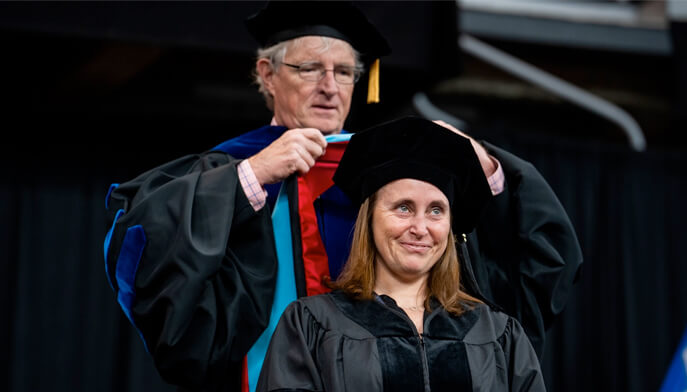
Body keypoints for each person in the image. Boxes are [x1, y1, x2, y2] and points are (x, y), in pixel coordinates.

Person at [103, 1, 581, 391]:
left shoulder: (395, 175)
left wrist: (482, 165)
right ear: (267, 74)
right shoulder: (231, 168)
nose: (330, 87)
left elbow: (531, 265)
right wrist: (251, 176)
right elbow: (143, 251)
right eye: (310, 68)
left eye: (345, 71)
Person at [256, 116, 545, 392]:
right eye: (403, 207)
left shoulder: (498, 334)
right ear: (369, 219)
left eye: (436, 210)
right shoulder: (311, 326)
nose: (420, 228)